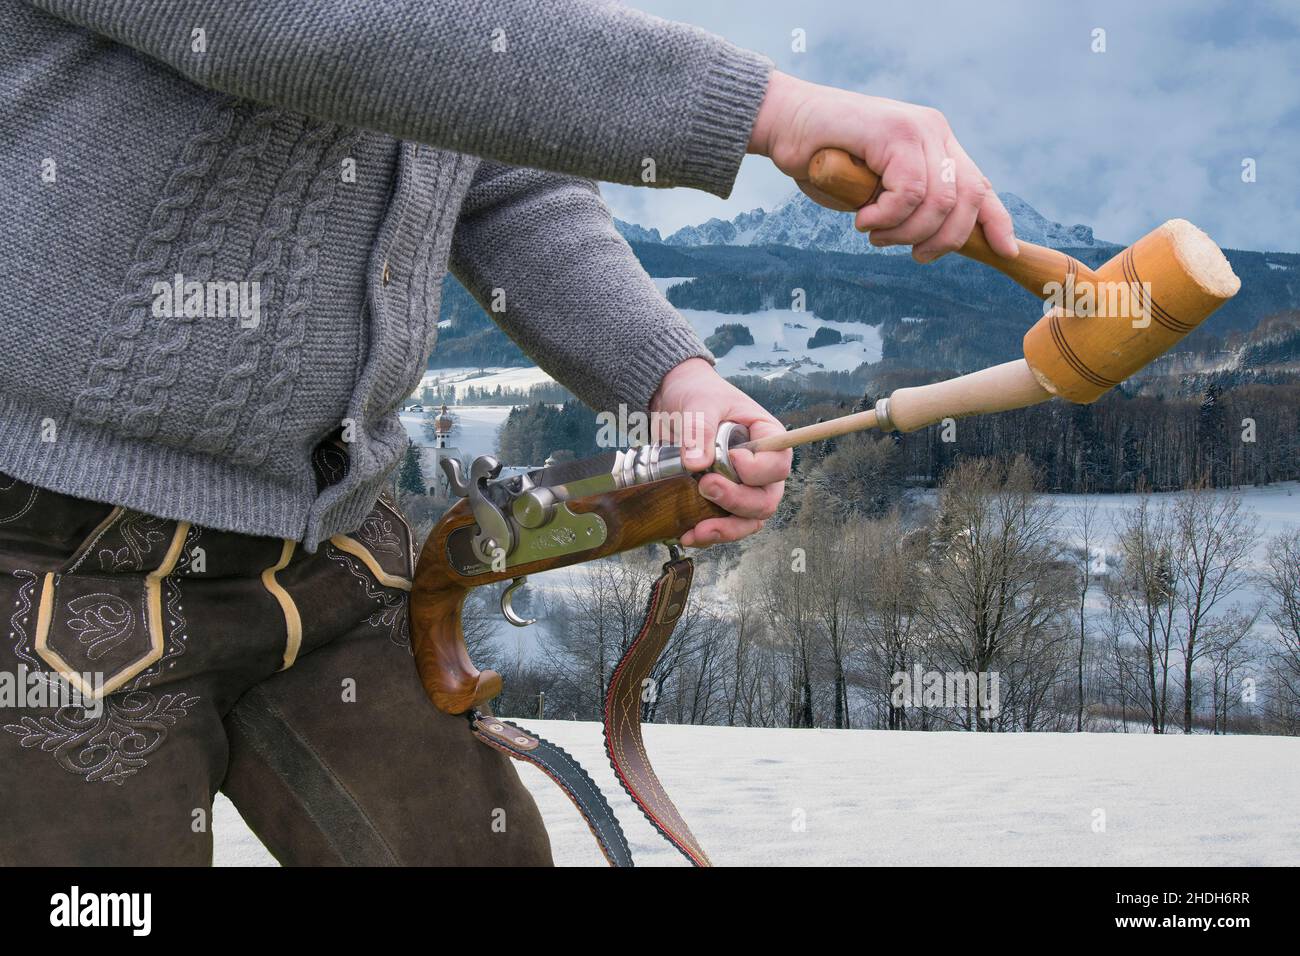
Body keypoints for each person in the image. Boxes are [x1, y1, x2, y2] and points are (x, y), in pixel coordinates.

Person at [0, 0, 1017, 865]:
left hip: (332, 551)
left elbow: (498, 177)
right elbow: (339, 29)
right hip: (49, 564)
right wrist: (769, 108)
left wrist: (670, 377)